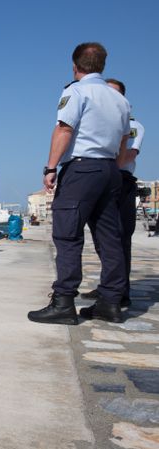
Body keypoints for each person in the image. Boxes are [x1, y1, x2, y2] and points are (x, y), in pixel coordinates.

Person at [28, 42, 131, 325]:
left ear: (75, 67)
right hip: (110, 170)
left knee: (68, 234)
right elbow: (124, 143)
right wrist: (111, 167)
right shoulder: (120, 100)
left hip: (82, 169)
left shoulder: (76, 91)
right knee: (110, 238)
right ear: (102, 66)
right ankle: (110, 302)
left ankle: (63, 302)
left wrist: (50, 167)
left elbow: (64, 129)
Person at [82, 79, 145, 307]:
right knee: (102, 239)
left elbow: (131, 154)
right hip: (100, 178)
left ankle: (121, 292)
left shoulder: (133, 125)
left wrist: (107, 163)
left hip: (120, 181)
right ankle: (107, 287)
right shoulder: (98, 125)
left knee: (120, 238)